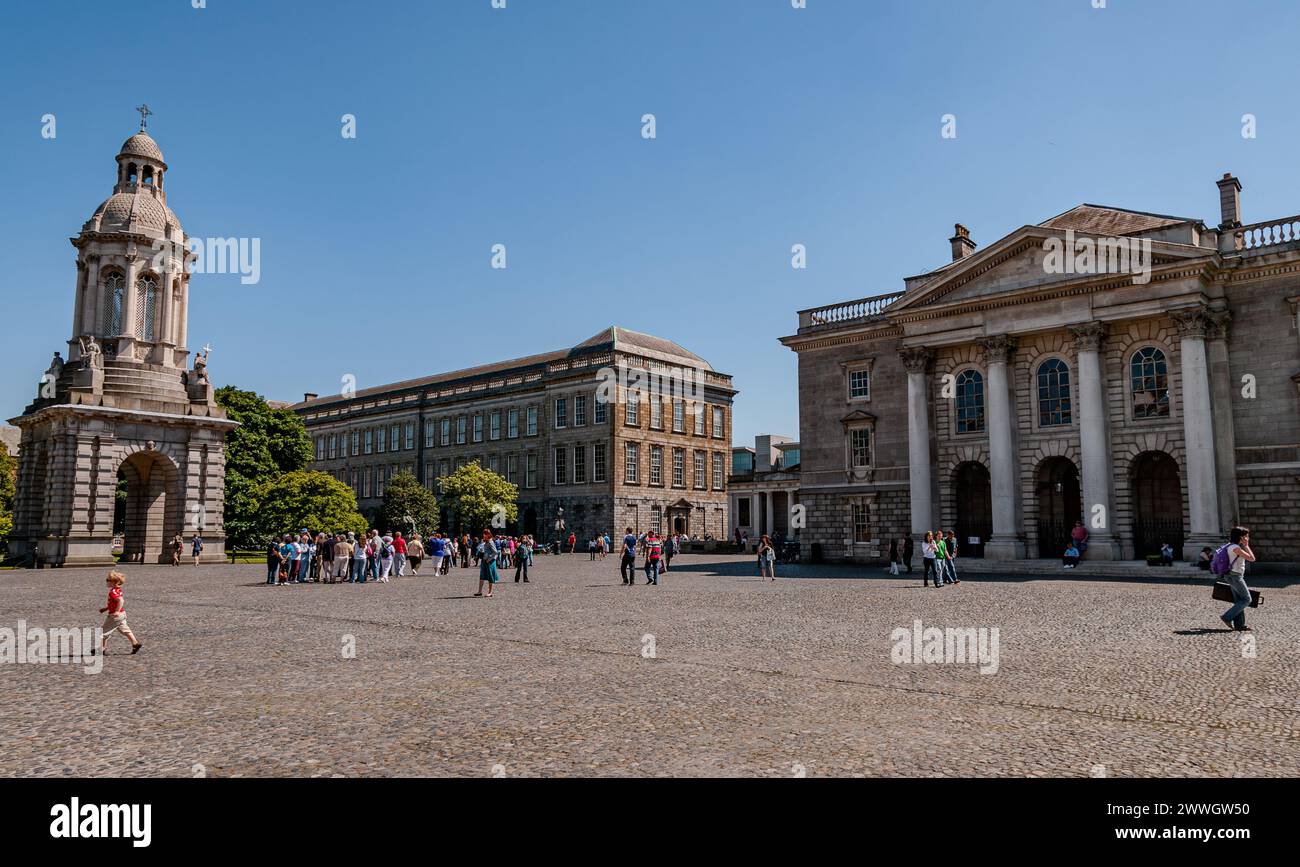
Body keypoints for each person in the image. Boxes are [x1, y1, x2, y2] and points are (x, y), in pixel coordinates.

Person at [94, 571, 142, 656]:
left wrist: (116, 611)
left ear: (113, 582)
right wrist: (106, 608)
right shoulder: (117, 590)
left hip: (115, 616)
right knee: (125, 630)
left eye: (108, 580)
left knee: (103, 632)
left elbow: (121, 600)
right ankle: (135, 643)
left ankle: (102, 649)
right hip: (122, 614)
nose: (106, 581)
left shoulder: (113, 592)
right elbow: (114, 603)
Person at [1219, 527, 1257, 632]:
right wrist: (1247, 546)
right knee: (1247, 599)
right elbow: (1252, 559)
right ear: (1241, 537)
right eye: (1246, 536)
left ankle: (1239, 625)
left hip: (1232, 576)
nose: (1247, 537)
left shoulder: (1230, 546)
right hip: (1235, 576)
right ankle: (1227, 617)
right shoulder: (1235, 548)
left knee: (1239, 600)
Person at [475, 530, 500, 597]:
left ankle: (490, 592)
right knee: (482, 576)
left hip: (490, 562)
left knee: (490, 576)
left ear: (488, 535)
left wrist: (489, 559)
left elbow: (495, 552)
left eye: (484, 534)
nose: (483, 536)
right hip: (484, 560)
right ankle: (479, 591)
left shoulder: (490, 542)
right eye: (483, 534)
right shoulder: (486, 542)